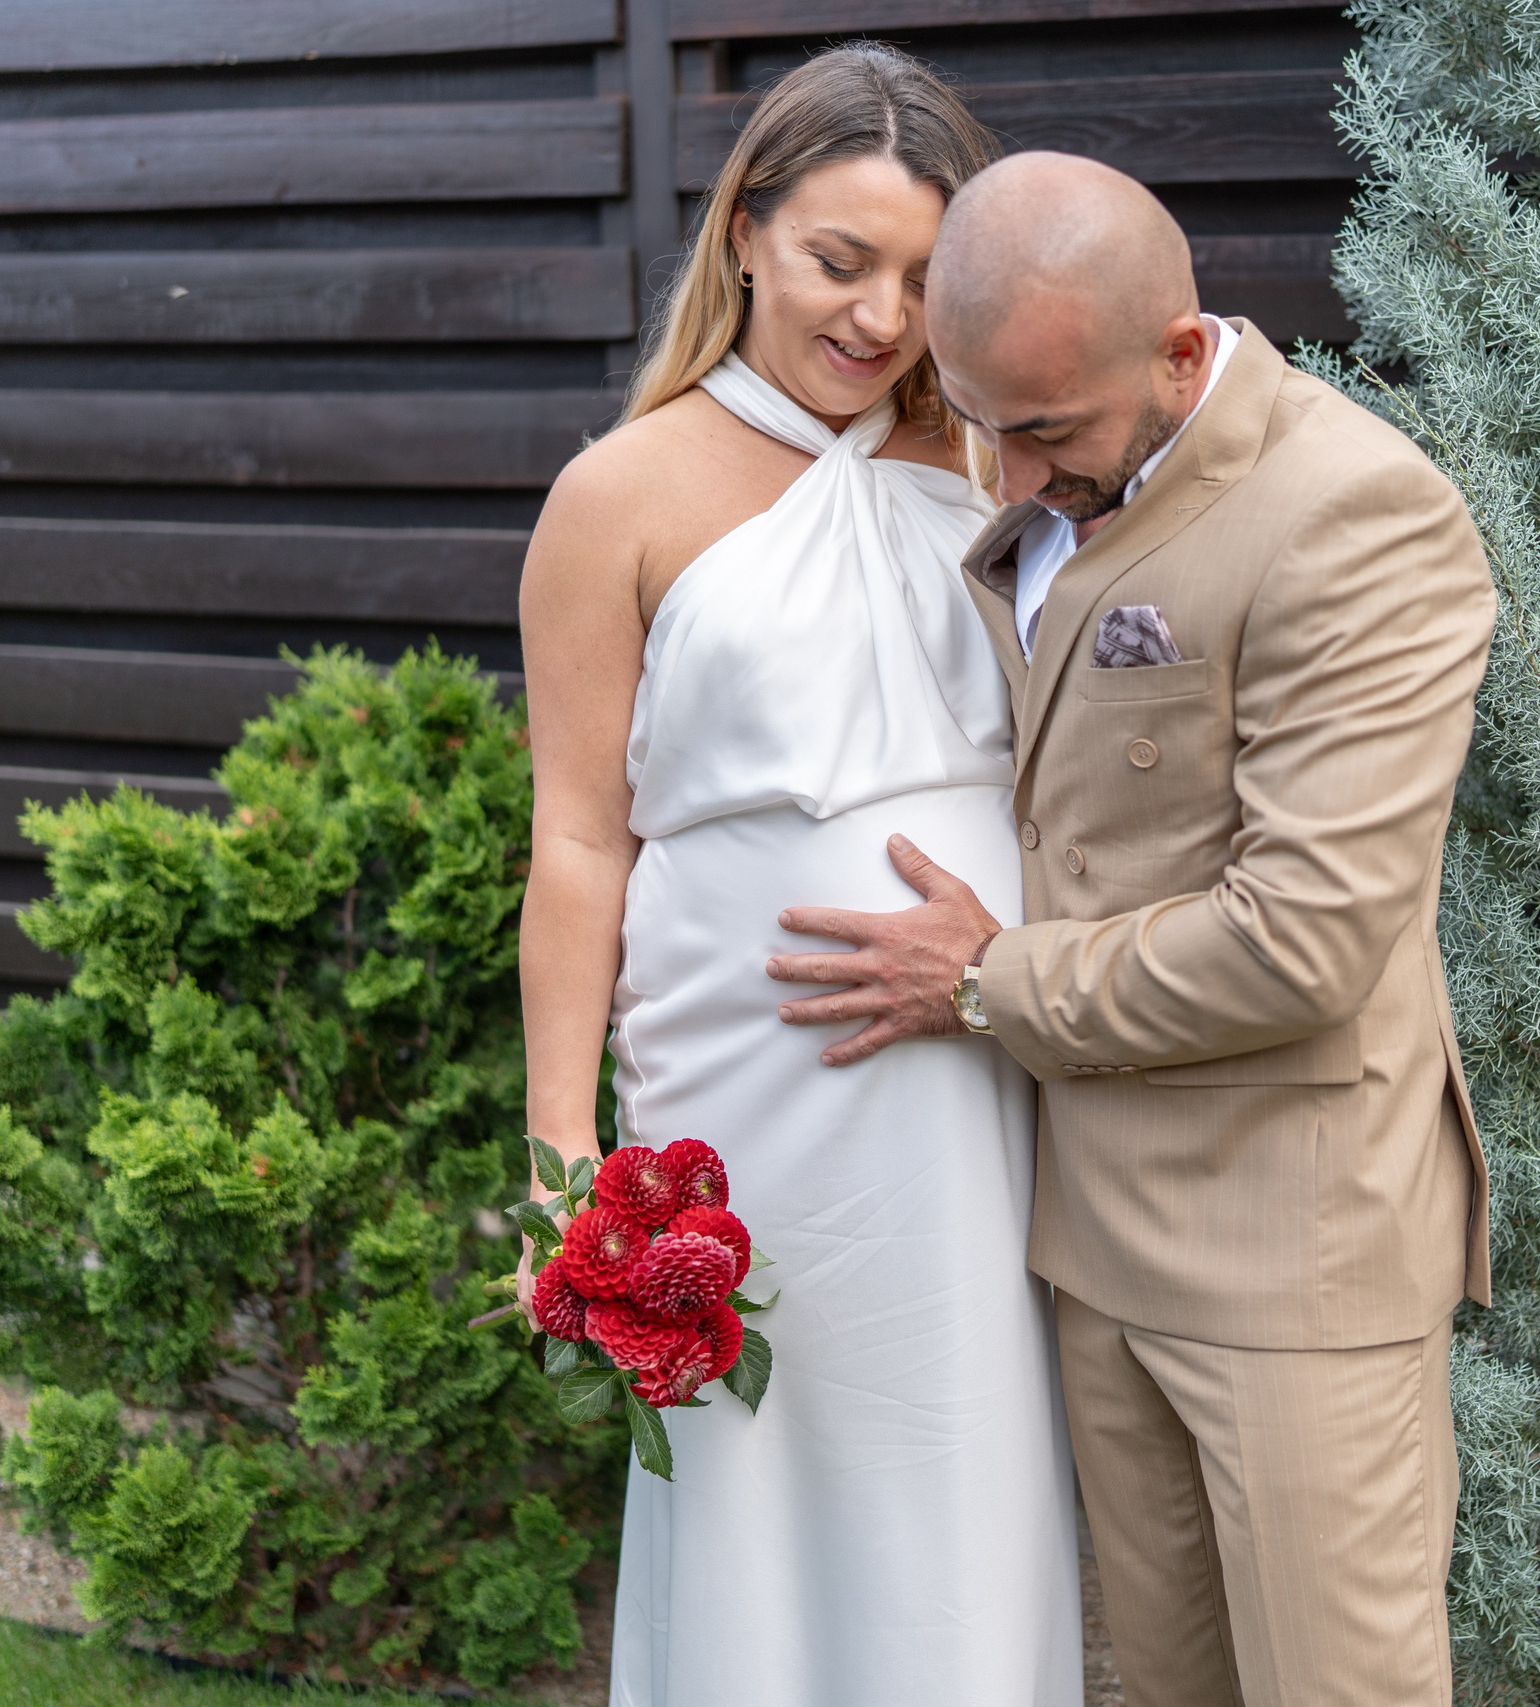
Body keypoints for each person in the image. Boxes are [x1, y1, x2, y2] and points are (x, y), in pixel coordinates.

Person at [764, 150, 1498, 1707]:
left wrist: (983, 981)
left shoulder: (1358, 513)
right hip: (1094, 1241)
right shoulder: (1044, 468)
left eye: (1046, 431)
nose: (1011, 475)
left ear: (1178, 352)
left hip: (1296, 1256)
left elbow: (1304, 938)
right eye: (982, 423)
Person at [514, 49, 1082, 1707]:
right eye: (842, 261)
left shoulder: (1000, 472)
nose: (882, 318)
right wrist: (563, 1155)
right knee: (758, 1491)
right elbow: (578, 839)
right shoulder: (619, 494)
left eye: (924, 276)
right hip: (740, 1088)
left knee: (963, 1470)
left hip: (976, 1075)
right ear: (745, 232)